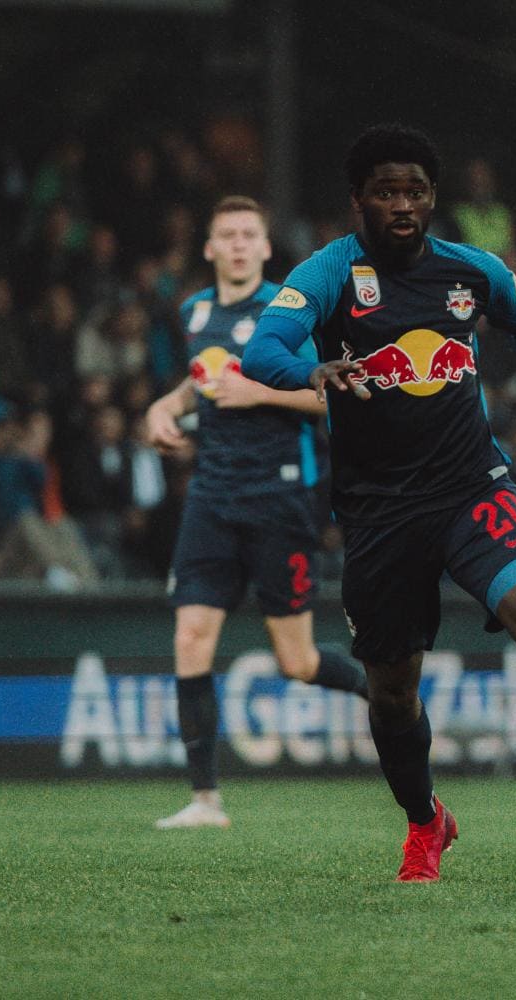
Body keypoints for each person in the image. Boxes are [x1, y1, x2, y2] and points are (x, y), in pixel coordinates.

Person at [242, 124, 516, 882]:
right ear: (359, 201)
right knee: (392, 695)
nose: (404, 205)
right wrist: (308, 373)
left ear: (432, 198)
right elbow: (261, 351)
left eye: (415, 190)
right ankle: (426, 822)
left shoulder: (471, 272)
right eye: (387, 191)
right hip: (379, 514)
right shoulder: (328, 275)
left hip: (470, 486)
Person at [143, 195, 369, 829]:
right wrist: (163, 410)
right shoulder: (193, 311)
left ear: (267, 248)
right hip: (212, 496)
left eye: (250, 235)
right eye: (227, 235)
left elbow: (338, 399)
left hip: (282, 496)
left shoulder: (291, 309)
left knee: (295, 663)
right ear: (210, 247)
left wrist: (259, 391)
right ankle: (205, 800)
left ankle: (387, 696)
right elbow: (198, 383)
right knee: (190, 639)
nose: (239, 244)